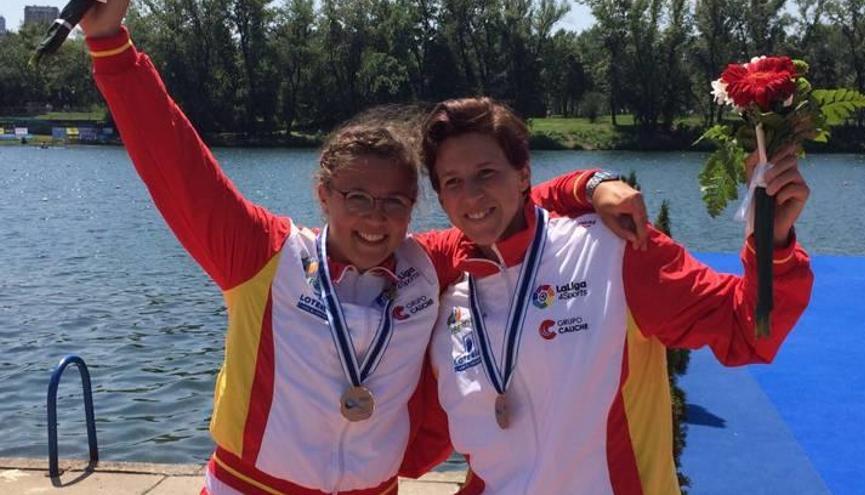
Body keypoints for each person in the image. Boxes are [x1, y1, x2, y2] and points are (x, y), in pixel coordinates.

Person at [78, 2, 650, 493]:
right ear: (324, 195)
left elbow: (498, 210)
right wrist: (110, 46)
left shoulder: (426, 265)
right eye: (358, 197)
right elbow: (177, 167)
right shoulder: (263, 257)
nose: (377, 219)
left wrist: (586, 185)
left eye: (396, 202)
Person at [422, 97, 814, 495]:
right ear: (440, 197)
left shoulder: (614, 247)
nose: (471, 195)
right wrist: (586, 183)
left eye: (486, 173)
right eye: (452, 181)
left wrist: (773, 241)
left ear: (523, 175)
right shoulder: (438, 282)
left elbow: (745, 328)